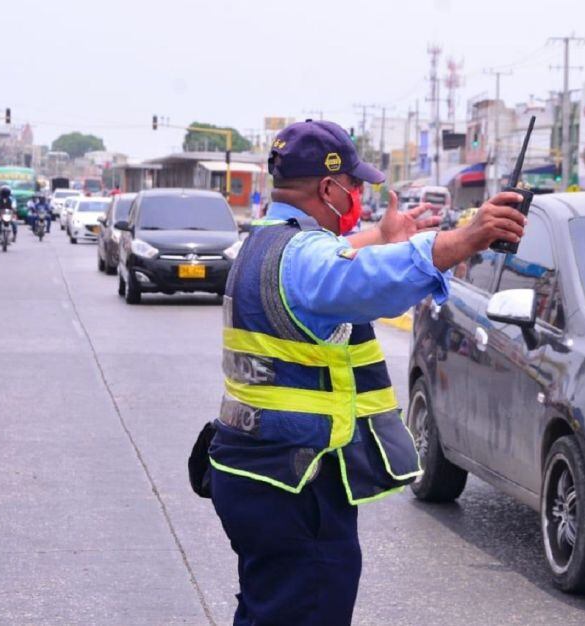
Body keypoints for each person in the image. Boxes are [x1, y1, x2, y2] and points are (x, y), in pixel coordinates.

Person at [208, 120, 525, 625]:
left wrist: (382, 236)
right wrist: (468, 237)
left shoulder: (263, 242)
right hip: (296, 484)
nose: (359, 194)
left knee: (269, 610)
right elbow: (363, 278)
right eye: (353, 185)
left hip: (251, 471)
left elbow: (334, 260)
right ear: (327, 189)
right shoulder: (302, 258)